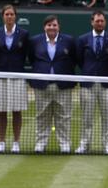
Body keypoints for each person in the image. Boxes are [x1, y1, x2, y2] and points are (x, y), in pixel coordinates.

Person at [30, 15, 77, 153]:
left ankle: (65, 144)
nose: (52, 27)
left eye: (54, 25)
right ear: (44, 27)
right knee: (42, 116)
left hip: (62, 86)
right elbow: (33, 59)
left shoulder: (68, 41)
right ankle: (40, 144)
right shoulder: (35, 41)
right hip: (42, 86)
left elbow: (73, 59)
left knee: (64, 116)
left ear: (59, 27)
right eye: (49, 25)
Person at [76, 11, 108, 154]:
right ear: (92, 22)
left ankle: (107, 145)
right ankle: (84, 144)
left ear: (105, 22)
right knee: (87, 117)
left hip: (106, 84)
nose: (99, 23)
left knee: (107, 117)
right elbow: (80, 60)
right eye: (97, 21)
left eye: (102, 21)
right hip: (87, 84)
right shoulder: (83, 40)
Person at [0, 4, 31, 153]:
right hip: (0, 76)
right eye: (7, 14)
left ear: (16, 16)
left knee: (17, 111)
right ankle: (1, 142)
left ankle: (16, 142)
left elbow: (27, 54)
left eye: (12, 14)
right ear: (3, 16)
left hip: (17, 76)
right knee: (1, 111)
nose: (9, 17)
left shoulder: (24, 34)